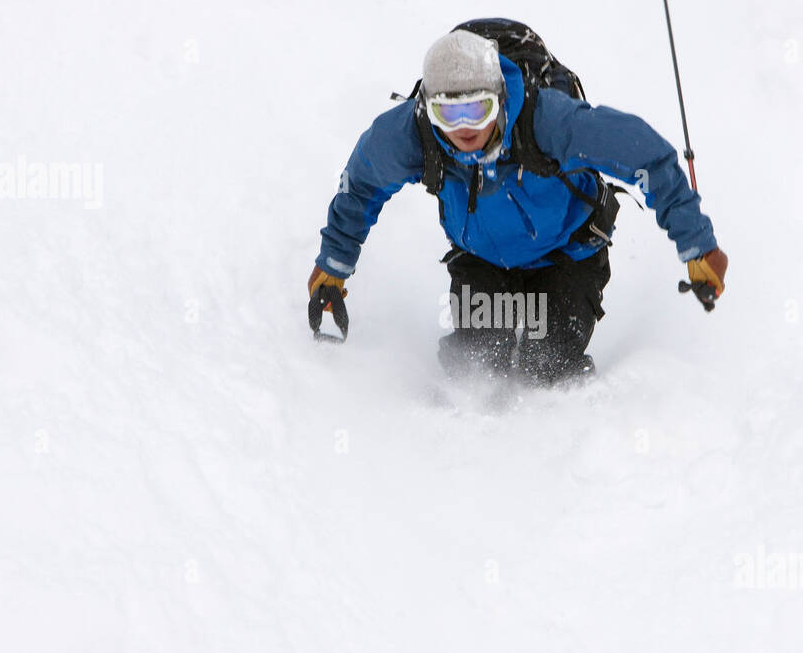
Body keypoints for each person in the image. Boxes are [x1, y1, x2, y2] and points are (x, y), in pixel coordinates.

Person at [308, 25, 727, 384]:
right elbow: (360, 187)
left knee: (549, 369)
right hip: (482, 259)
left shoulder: (548, 121)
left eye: (477, 109)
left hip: (569, 252)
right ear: (426, 108)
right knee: (474, 368)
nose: (463, 129)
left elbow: (648, 158)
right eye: (447, 114)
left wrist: (697, 245)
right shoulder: (409, 134)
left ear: (500, 97)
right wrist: (333, 267)